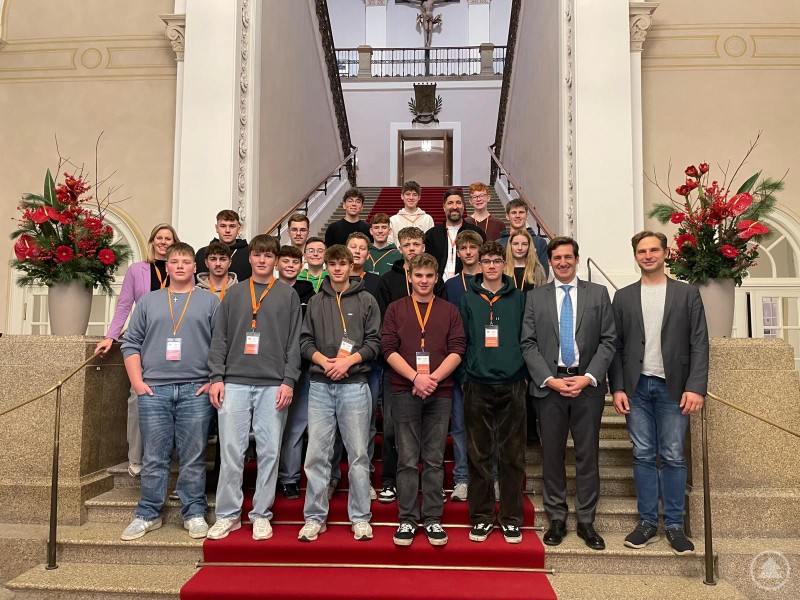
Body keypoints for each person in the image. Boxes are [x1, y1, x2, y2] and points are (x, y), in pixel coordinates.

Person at [609, 231, 709, 555]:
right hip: (637, 388)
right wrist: (618, 388)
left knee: (673, 455)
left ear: (665, 253)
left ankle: (675, 526)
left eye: (654, 250)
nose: (648, 255)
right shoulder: (622, 297)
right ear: (635, 255)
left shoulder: (687, 294)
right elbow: (616, 346)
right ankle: (647, 522)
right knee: (641, 454)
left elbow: (699, 343)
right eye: (642, 251)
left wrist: (696, 387)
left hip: (674, 387)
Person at [520, 236, 616, 551]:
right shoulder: (536, 297)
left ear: (576, 259)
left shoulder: (598, 294)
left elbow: (608, 340)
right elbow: (528, 343)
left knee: (587, 455)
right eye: (557, 258)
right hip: (550, 388)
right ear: (550, 261)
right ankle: (557, 518)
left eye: (568, 257)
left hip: (586, 387)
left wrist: (589, 377)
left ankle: (586, 520)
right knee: (552, 455)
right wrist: (549, 379)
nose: (563, 262)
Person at [119, 242, 219, 541]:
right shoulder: (149, 301)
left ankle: (194, 512)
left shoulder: (210, 302)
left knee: (193, 456)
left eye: (185, 261)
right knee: (155, 456)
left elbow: (220, 346)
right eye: (174, 261)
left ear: (194, 268)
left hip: (195, 390)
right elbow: (131, 343)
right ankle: (148, 514)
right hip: (154, 390)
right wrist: (138, 383)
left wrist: (214, 379)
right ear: (167, 266)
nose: (179, 266)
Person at [206, 235, 302, 541]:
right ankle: (228, 514)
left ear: (275, 260)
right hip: (233, 381)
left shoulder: (287, 295)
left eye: (268, 256)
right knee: (232, 451)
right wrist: (216, 377)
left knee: (269, 451)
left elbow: (294, 343)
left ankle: (261, 513)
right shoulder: (233, 294)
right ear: (249, 259)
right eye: (258, 255)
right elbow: (219, 337)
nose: (262, 260)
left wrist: (289, 380)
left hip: (272, 385)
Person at [298, 245, 381, 542]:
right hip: (321, 386)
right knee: (317, 455)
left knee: (358, 455)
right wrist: (324, 361)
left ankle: (360, 517)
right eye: (331, 264)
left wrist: (348, 361)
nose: (336, 269)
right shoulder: (316, 301)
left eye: (341, 264)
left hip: (355, 386)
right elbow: (305, 342)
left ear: (351, 267)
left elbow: (374, 342)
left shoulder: (367, 300)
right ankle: (314, 517)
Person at [382, 253, 465, 547]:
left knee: (433, 459)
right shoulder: (395, 308)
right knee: (406, 459)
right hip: (404, 390)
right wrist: (415, 378)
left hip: (439, 393)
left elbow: (457, 348)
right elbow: (388, 348)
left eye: (429, 276)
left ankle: (431, 519)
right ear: (410, 277)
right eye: (419, 275)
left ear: (436, 277)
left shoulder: (449, 310)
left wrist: (432, 379)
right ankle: (406, 518)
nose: (424, 281)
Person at [95, 223, 180, 477]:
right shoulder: (137, 270)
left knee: (174, 399)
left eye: (169, 238)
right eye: (159, 238)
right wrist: (111, 336)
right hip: (143, 339)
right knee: (137, 395)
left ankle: (169, 457)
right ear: (152, 241)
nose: (164, 242)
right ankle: (136, 457)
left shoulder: (180, 268)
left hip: (173, 339)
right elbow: (124, 305)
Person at [459, 241, 528, 544]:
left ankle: (511, 518)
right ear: (480, 264)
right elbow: (461, 340)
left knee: (512, 455)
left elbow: (527, 338)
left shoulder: (520, 298)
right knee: (479, 455)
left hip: (513, 383)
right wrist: (466, 377)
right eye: (485, 261)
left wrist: (523, 373)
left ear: (504, 263)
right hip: (477, 383)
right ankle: (482, 517)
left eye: (496, 261)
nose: (490, 266)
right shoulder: (468, 299)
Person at [376, 226, 447, 504]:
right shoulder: (388, 280)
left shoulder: (434, 282)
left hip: (432, 372)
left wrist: (427, 376)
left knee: (431, 439)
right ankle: (391, 481)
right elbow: (385, 328)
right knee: (393, 428)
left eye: (417, 244)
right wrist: (412, 374)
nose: (412, 249)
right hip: (398, 368)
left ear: (423, 247)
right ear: (401, 248)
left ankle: (430, 488)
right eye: (407, 245)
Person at [444, 229, 483, 502]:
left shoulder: (491, 280)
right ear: (457, 252)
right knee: (458, 426)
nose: (468, 252)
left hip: (486, 364)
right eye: (463, 248)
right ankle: (461, 479)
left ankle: (486, 478)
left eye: (472, 247)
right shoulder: (451, 284)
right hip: (459, 362)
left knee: (485, 426)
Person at [276, 245, 316, 500]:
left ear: (301, 266)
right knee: (270, 426)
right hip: (269, 369)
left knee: (296, 425)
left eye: (294, 262)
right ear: (278, 263)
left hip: (301, 369)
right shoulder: (267, 292)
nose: (290, 266)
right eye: (286, 261)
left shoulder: (310, 294)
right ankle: (268, 476)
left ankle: (289, 477)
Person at [423, 188, 486, 280]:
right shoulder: (432, 235)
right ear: (444, 207)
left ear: (463, 206)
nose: (454, 207)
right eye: (450, 203)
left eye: (458, 202)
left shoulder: (476, 232)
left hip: (469, 284)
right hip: (438, 287)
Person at [496, 199, 549, 278]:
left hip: (532, 288)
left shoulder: (539, 242)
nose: (517, 216)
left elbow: (543, 273)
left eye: (521, 212)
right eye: (514, 212)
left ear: (527, 216)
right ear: (507, 216)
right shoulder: (499, 244)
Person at [195, 209, 251, 281]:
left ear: (238, 229)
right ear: (216, 228)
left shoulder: (249, 253)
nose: (227, 230)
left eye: (232, 226)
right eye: (223, 226)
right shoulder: (202, 253)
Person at [347, 232, 381, 298]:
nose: (357, 251)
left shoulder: (376, 281)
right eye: (353, 247)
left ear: (368, 255)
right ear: (345, 251)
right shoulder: (336, 278)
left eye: (362, 248)